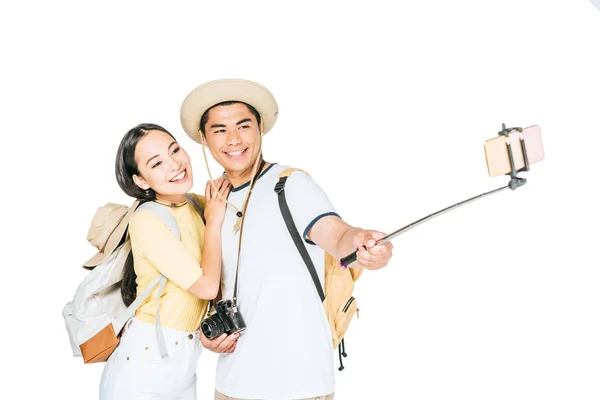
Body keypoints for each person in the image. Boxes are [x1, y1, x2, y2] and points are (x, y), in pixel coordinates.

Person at [179, 79, 395, 400]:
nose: (234, 139)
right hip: (232, 385)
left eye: (243, 125)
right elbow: (208, 287)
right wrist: (207, 336)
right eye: (220, 130)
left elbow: (336, 235)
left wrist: (361, 241)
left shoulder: (290, 185)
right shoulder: (207, 205)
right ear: (205, 139)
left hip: (300, 385)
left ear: (260, 129)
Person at [99, 123, 231, 400]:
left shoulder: (194, 204)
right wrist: (215, 221)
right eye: (157, 163)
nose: (175, 165)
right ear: (141, 181)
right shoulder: (147, 219)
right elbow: (206, 288)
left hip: (184, 364)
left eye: (175, 150)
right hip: (143, 367)